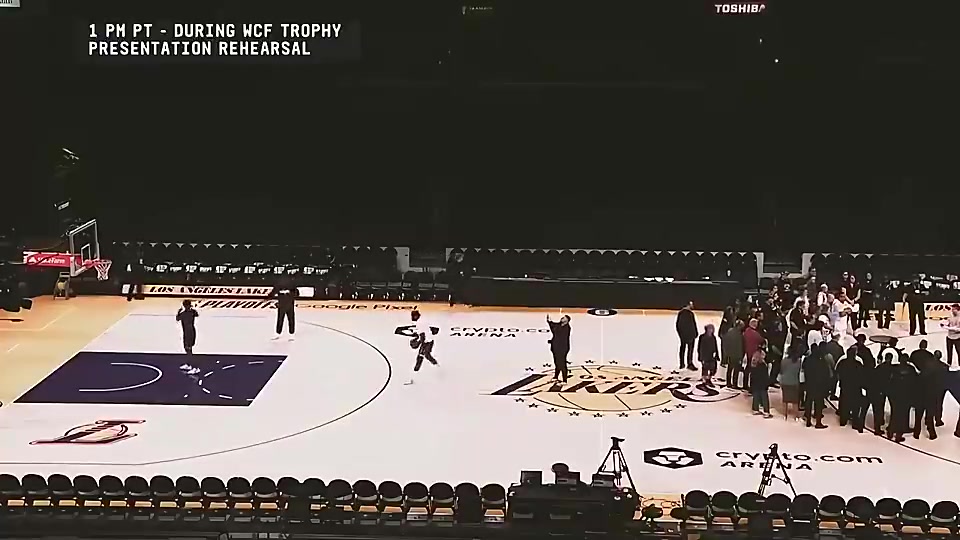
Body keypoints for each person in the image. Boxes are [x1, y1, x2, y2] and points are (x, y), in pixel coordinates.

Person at [885, 347, 919, 442]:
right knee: (903, 414)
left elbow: (890, 381)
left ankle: (891, 431)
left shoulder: (894, 369)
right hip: (906, 395)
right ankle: (899, 435)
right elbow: (915, 383)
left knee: (895, 413)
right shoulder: (910, 369)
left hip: (895, 395)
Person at [910, 340, 941, 440]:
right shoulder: (932, 378)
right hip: (929, 399)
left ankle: (916, 433)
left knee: (918, 416)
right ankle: (932, 433)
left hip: (920, 398)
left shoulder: (919, 378)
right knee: (929, 417)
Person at [405, 310, 439, 385]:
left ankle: (439, 370)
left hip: (427, 342)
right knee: (423, 357)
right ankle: (438, 369)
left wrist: (419, 343)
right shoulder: (422, 320)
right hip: (428, 341)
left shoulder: (419, 323)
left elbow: (423, 336)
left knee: (423, 357)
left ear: (416, 316)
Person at [835, 348, 866, 431]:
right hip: (855, 387)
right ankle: (855, 422)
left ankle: (843, 420)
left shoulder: (842, 363)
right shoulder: (858, 364)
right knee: (855, 405)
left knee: (844, 403)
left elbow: (837, 373)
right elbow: (862, 376)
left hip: (845, 386)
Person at [802, 343, 830, 429]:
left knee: (809, 402)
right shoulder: (821, 360)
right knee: (818, 404)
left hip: (809, 384)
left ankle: (808, 420)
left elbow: (804, 369)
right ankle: (818, 422)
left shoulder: (807, 360)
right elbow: (826, 373)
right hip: (819, 385)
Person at [779, 345, 802, 421]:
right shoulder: (798, 361)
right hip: (794, 382)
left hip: (784, 381)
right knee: (795, 401)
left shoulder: (784, 361)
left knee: (785, 399)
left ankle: (784, 415)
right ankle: (796, 416)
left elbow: (782, 370)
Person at [546, 313, 571, 384]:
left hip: (562, 349)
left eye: (564, 318)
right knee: (557, 363)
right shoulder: (559, 325)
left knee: (562, 364)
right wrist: (549, 321)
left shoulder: (567, 328)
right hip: (555, 348)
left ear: (567, 320)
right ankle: (555, 377)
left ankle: (564, 380)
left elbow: (556, 332)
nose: (562, 318)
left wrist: (551, 323)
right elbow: (553, 326)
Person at [749, 346, 772, 418]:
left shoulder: (753, 364)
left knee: (756, 396)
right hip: (762, 384)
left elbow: (752, 375)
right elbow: (765, 376)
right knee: (764, 397)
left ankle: (755, 409)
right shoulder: (763, 365)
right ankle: (766, 411)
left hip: (755, 383)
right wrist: (767, 383)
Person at [675, 301, 698, 371]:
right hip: (688, 335)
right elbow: (692, 324)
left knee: (684, 349)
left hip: (687, 335)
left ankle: (683, 363)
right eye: (691, 304)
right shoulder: (687, 314)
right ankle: (687, 363)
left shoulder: (684, 313)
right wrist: (695, 333)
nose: (692, 305)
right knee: (688, 349)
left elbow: (678, 325)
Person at [742, 318, 764, 390]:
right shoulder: (755, 334)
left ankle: (745, 384)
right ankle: (752, 386)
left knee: (747, 368)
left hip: (747, 352)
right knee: (753, 370)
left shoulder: (746, 331)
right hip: (753, 353)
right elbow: (761, 340)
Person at [722, 320, 745, 389]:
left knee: (730, 368)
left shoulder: (729, 332)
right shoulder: (739, 335)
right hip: (736, 354)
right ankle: (735, 383)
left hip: (730, 354)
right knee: (736, 370)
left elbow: (725, 343)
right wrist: (741, 356)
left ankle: (728, 383)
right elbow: (740, 346)